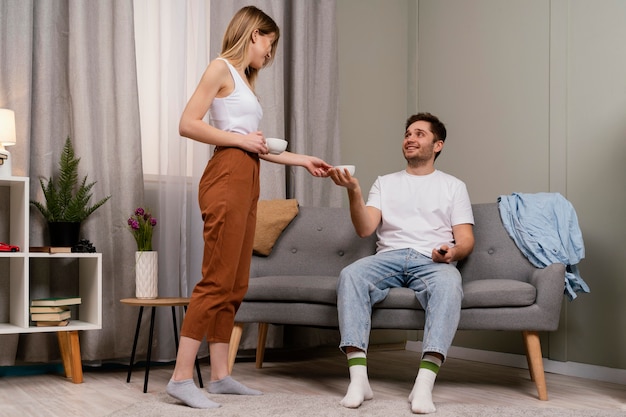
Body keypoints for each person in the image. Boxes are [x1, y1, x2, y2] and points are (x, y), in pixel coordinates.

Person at [166, 6, 331, 409]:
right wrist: (240, 141)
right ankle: (181, 377)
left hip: (247, 176)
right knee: (216, 279)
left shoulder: (244, 82)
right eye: (269, 44)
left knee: (236, 282)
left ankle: (221, 376)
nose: (270, 54)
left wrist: (304, 159)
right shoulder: (220, 67)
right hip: (226, 175)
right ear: (253, 34)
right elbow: (188, 123)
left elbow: (257, 145)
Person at [329, 112, 475, 414]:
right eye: (408, 133)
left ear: (438, 145)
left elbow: (466, 240)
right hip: (389, 257)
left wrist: (451, 252)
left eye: (420, 133)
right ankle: (358, 380)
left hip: (431, 259)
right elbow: (365, 229)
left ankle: (424, 384)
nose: (410, 138)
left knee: (450, 283)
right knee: (351, 275)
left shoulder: (453, 186)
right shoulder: (385, 183)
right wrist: (354, 191)